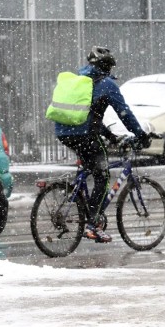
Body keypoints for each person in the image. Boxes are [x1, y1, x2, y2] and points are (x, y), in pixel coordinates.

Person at [54, 46, 150, 243]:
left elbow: (89, 115)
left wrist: (111, 136)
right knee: (103, 175)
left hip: (64, 132)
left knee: (91, 167)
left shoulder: (78, 80)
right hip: (85, 134)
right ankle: (91, 224)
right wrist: (140, 134)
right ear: (107, 67)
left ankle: (80, 200)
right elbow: (124, 113)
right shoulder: (106, 84)